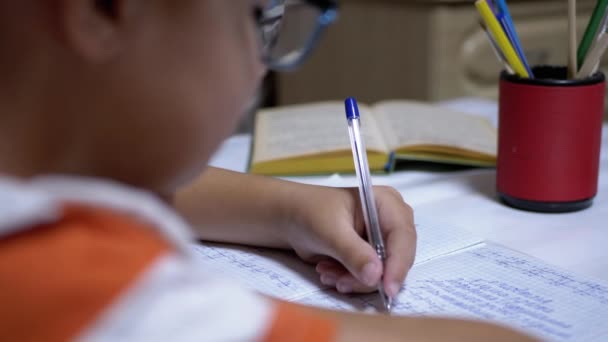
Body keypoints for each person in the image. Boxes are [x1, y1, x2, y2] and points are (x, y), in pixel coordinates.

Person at [0, 1, 537, 341]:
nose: (261, 66)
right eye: (257, 19)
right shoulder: (109, 305)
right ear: (103, 9)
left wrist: (287, 209)